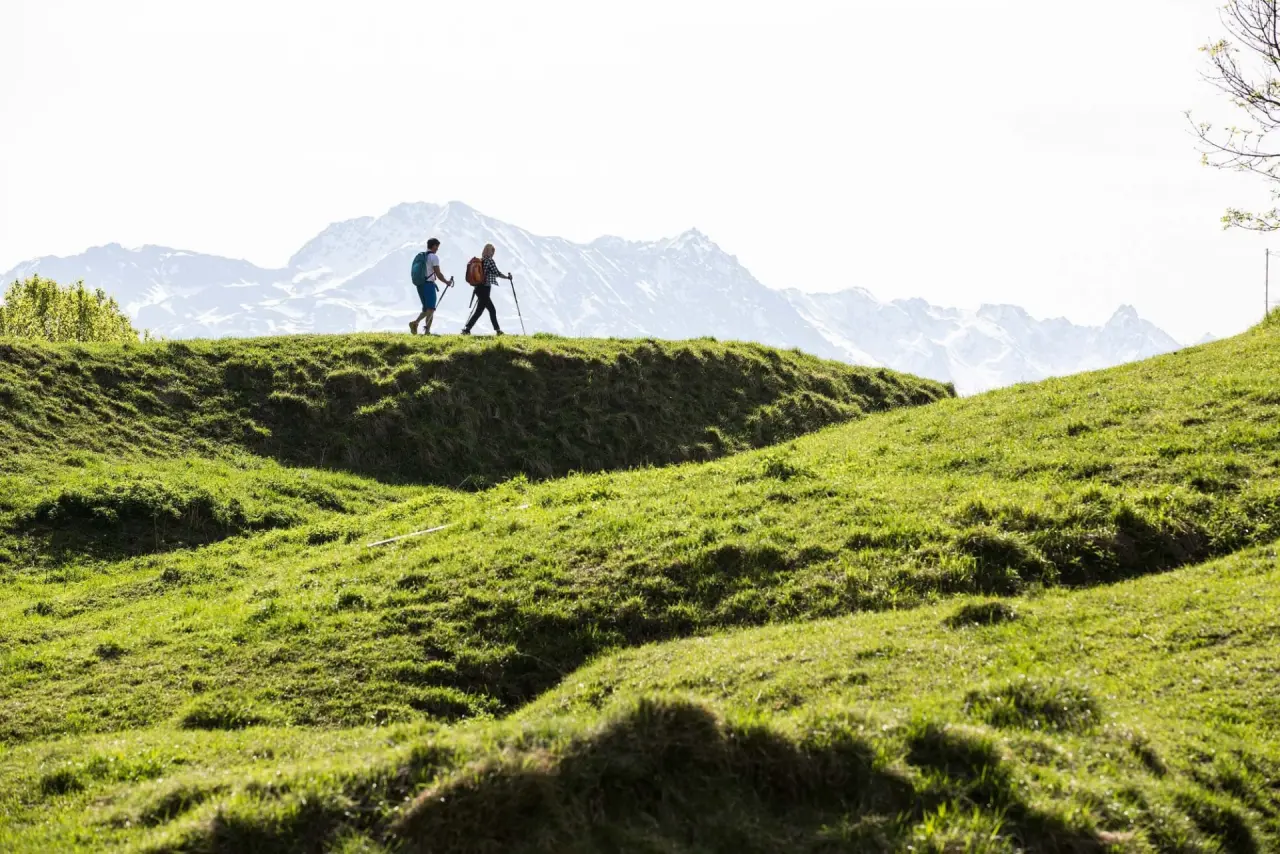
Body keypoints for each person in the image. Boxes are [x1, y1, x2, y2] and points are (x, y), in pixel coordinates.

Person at [462, 244, 512, 336]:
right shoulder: (489, 260)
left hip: (478, 288)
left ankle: (467, 329)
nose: (493, 254)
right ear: (491, 252)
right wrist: (507, 277)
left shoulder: (481, 260)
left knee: (481, 310)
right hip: (485, 288)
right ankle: (497, 331)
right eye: (493, 251)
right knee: (490, 310)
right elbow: (496, 272)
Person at [410, 238, 453, 335]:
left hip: (420, 284)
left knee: (426, 309)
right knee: (431, 309)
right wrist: (447, 282)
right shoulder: (433, 257)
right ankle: (427, 332)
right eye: (437, 246)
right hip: (428, 285)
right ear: (434, 246)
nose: (437, 249)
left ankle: (415, 323)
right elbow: (438, 273)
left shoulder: (423, 256)